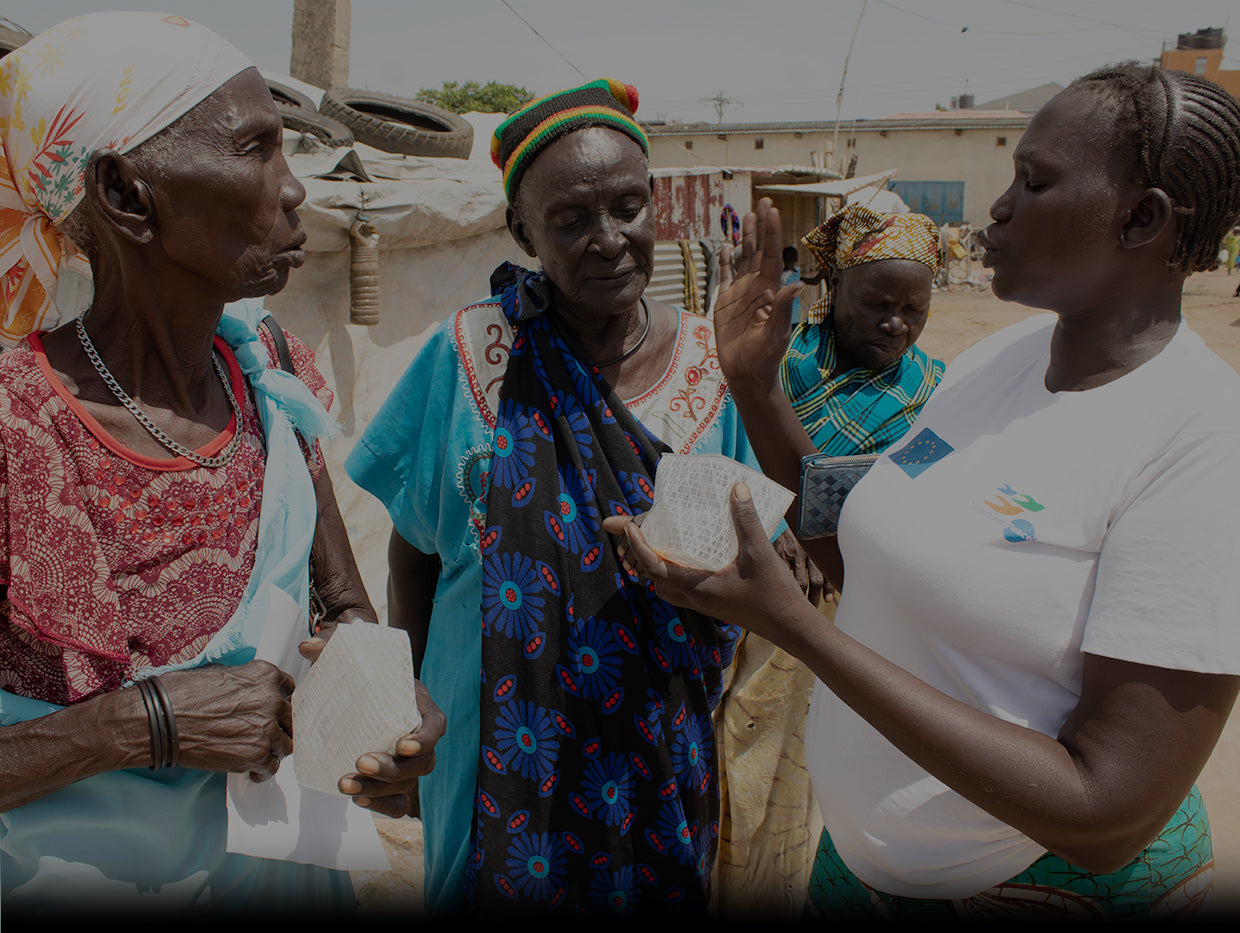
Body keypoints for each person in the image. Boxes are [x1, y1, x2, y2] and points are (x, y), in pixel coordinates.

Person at [606, 62, 1240, 919]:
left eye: (1036, 181)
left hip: (1036, 889)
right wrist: (757, 388)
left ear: (1141, 218)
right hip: (868, 871)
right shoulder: (997, 362)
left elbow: (1106, 814)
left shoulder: (1197, 440)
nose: (999, 207)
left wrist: (794, 627)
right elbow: (863, 536)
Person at [0, 12, 442, 917]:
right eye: (255, 151)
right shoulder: (17, 423)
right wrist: (146, 723)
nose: (293, 192)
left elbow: (346, 615)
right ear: (126, 193)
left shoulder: (266, 378)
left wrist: (392, 722)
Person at [345, 78, 809, 918]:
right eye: (570, 219)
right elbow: (412, 551)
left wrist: (761, 389)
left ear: (654, 205)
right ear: (523, 230)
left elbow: (782, 552)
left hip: (662, 753)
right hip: (492, 754)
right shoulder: (471, 355)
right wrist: (404, 713)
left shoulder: (720, 365)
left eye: (628, 206)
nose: (607, 240)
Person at [713, 202, 944, 918]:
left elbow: (926, 507)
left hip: (856, 621)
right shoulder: (777, 363)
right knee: (723, 774)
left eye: (914, 308)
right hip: (744, 595)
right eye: (877, 302)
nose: (896, 324)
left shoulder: (936, 396)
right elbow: (712, 457)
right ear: (832, 287)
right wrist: (776, 520)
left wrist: (836, 542)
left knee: (799, 787)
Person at [780, 245, 802, 323]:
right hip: (789, 313)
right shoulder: (785, 276)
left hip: (789, 312)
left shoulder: (783, 274)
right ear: (796, 258)